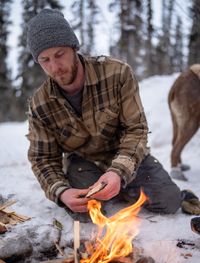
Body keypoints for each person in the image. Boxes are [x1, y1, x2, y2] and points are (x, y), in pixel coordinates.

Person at [26, 9, 200, 222]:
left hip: (126, 156)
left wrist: (118, 172)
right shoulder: (40, 103)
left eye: (60, 54)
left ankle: (125, 187)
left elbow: (136, 129)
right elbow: (43, 158)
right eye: (45, 60)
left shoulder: (116, 74)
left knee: (169, 201)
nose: (55, 67)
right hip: (84, 164)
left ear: (73, 47)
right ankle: (117, 191)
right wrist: (61, 192)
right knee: (84, 213)